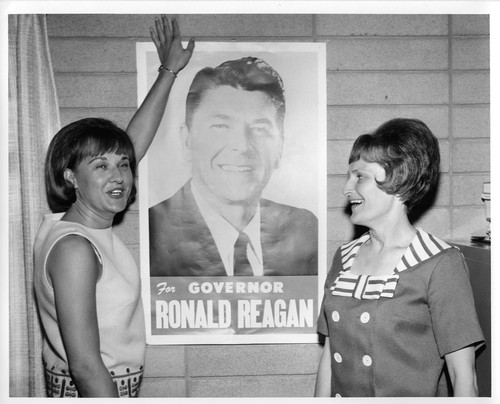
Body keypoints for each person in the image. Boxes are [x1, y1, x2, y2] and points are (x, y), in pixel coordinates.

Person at [33, 16, 194, 397]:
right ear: (71, 177)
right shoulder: (74, 248)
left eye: (123, 164)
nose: (119, 175)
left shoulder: (71, 227)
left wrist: (168, 71)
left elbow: (130, 143)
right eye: (100, 166)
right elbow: (86, 367)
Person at [314, 118, 484, 397]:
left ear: (399, 179)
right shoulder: (344, 257)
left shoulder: (439, 263)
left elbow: (463, 377)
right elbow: (329, 357)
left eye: (360, 176)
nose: (346, 188)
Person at [148, 57, 318, 277]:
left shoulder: (305, 230)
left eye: (259, 129)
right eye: (221, 126)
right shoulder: (153, 231)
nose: (241, 146)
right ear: (187, 141)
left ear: (280, 146)